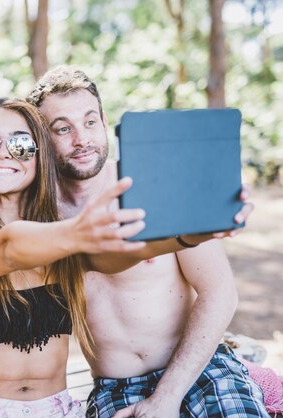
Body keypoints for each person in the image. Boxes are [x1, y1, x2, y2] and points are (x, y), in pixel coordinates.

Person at [26, 66, 269, 417]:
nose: (82, 139)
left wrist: (167, 396)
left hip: (199, 368)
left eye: (90, 122)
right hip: (116, 386)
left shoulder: (154, 184)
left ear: (105, 121)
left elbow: (221, 293)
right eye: (63, 128)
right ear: (41, 136)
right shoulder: (36, 215)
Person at [0, 98, 152, 418]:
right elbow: (7, 248)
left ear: (40, 158)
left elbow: (125, 253)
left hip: (60, 410)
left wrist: (190, 236)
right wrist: (78, 232)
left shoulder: (59, 240)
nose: (3, 151)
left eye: (22, 143)